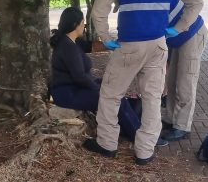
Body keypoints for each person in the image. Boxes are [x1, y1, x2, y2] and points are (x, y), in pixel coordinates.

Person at [83, 0, 204, 165]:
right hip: (158, 45)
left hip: (128, 45)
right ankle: (145, 151)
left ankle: (107, 144)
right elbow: (196, 2)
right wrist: (177, 28)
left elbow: (99, 9)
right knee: (151, 98)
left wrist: (106, 37)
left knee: (110, 94)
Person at [49, 7, 141, 140]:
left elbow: (90, 46)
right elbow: (80, 77)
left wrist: (114, 44)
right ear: (75, 24)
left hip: (77, 86)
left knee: (112, 88)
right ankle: (138, 135)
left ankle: (132, 124)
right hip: (67, 93)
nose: (84, 26)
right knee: (111, 96)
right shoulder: (67, 47)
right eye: (83, 23)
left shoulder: (73, 41)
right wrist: (100, 89)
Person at [159, 0, 208, 141]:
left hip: (191, 33)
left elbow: (196, 3)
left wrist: (177, 28)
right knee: (172, 81)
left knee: (186, 81)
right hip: (175, 38)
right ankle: (170, 120)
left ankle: (182, 127)